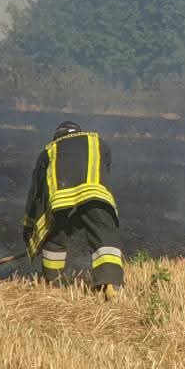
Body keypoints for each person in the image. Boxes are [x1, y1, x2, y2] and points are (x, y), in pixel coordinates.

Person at [23, 120, 123, 296]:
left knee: (53, 241)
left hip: (60, 203)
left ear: (57, 137)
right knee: (105, 237)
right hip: (96, 196)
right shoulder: (98, 142)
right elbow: (104, 170)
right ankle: (110, 283)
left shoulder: (48, 151)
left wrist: (29, 228)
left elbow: (36, 194)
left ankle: (54, 285)